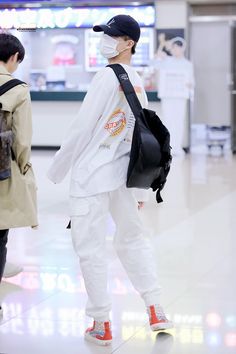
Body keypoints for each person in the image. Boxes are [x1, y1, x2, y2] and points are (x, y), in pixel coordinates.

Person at [48, 15, 173, 346]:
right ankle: (155, 306)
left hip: (92, 177)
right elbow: (143, 132)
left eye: (113, 35)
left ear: (128, 43)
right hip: (125, 176)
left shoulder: (105, 78)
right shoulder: (135, 78)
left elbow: (82, 128)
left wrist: (56, 170)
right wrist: (142, 188)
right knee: (133, 240)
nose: (106, 40)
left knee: (91, 249)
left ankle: (101, 322)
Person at [0, 33, 38, 317]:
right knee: (0, 235)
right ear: (13, 57)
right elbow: (22, 141)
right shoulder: (17, 89)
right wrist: (23, 167)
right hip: (2, 172)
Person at [152, 34, 195, 155]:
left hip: (180, 97)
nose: (175, 50)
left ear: (182, 48)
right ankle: (168, 147)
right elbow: (153, 63)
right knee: (168, 121)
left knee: (179, 121)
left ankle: (177, 147)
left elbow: (192, 82)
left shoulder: (187, 64)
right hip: (167, 96)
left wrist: (189, 86)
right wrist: (159, 50)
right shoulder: (166, 61)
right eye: (173, 47)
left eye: (178, 47)